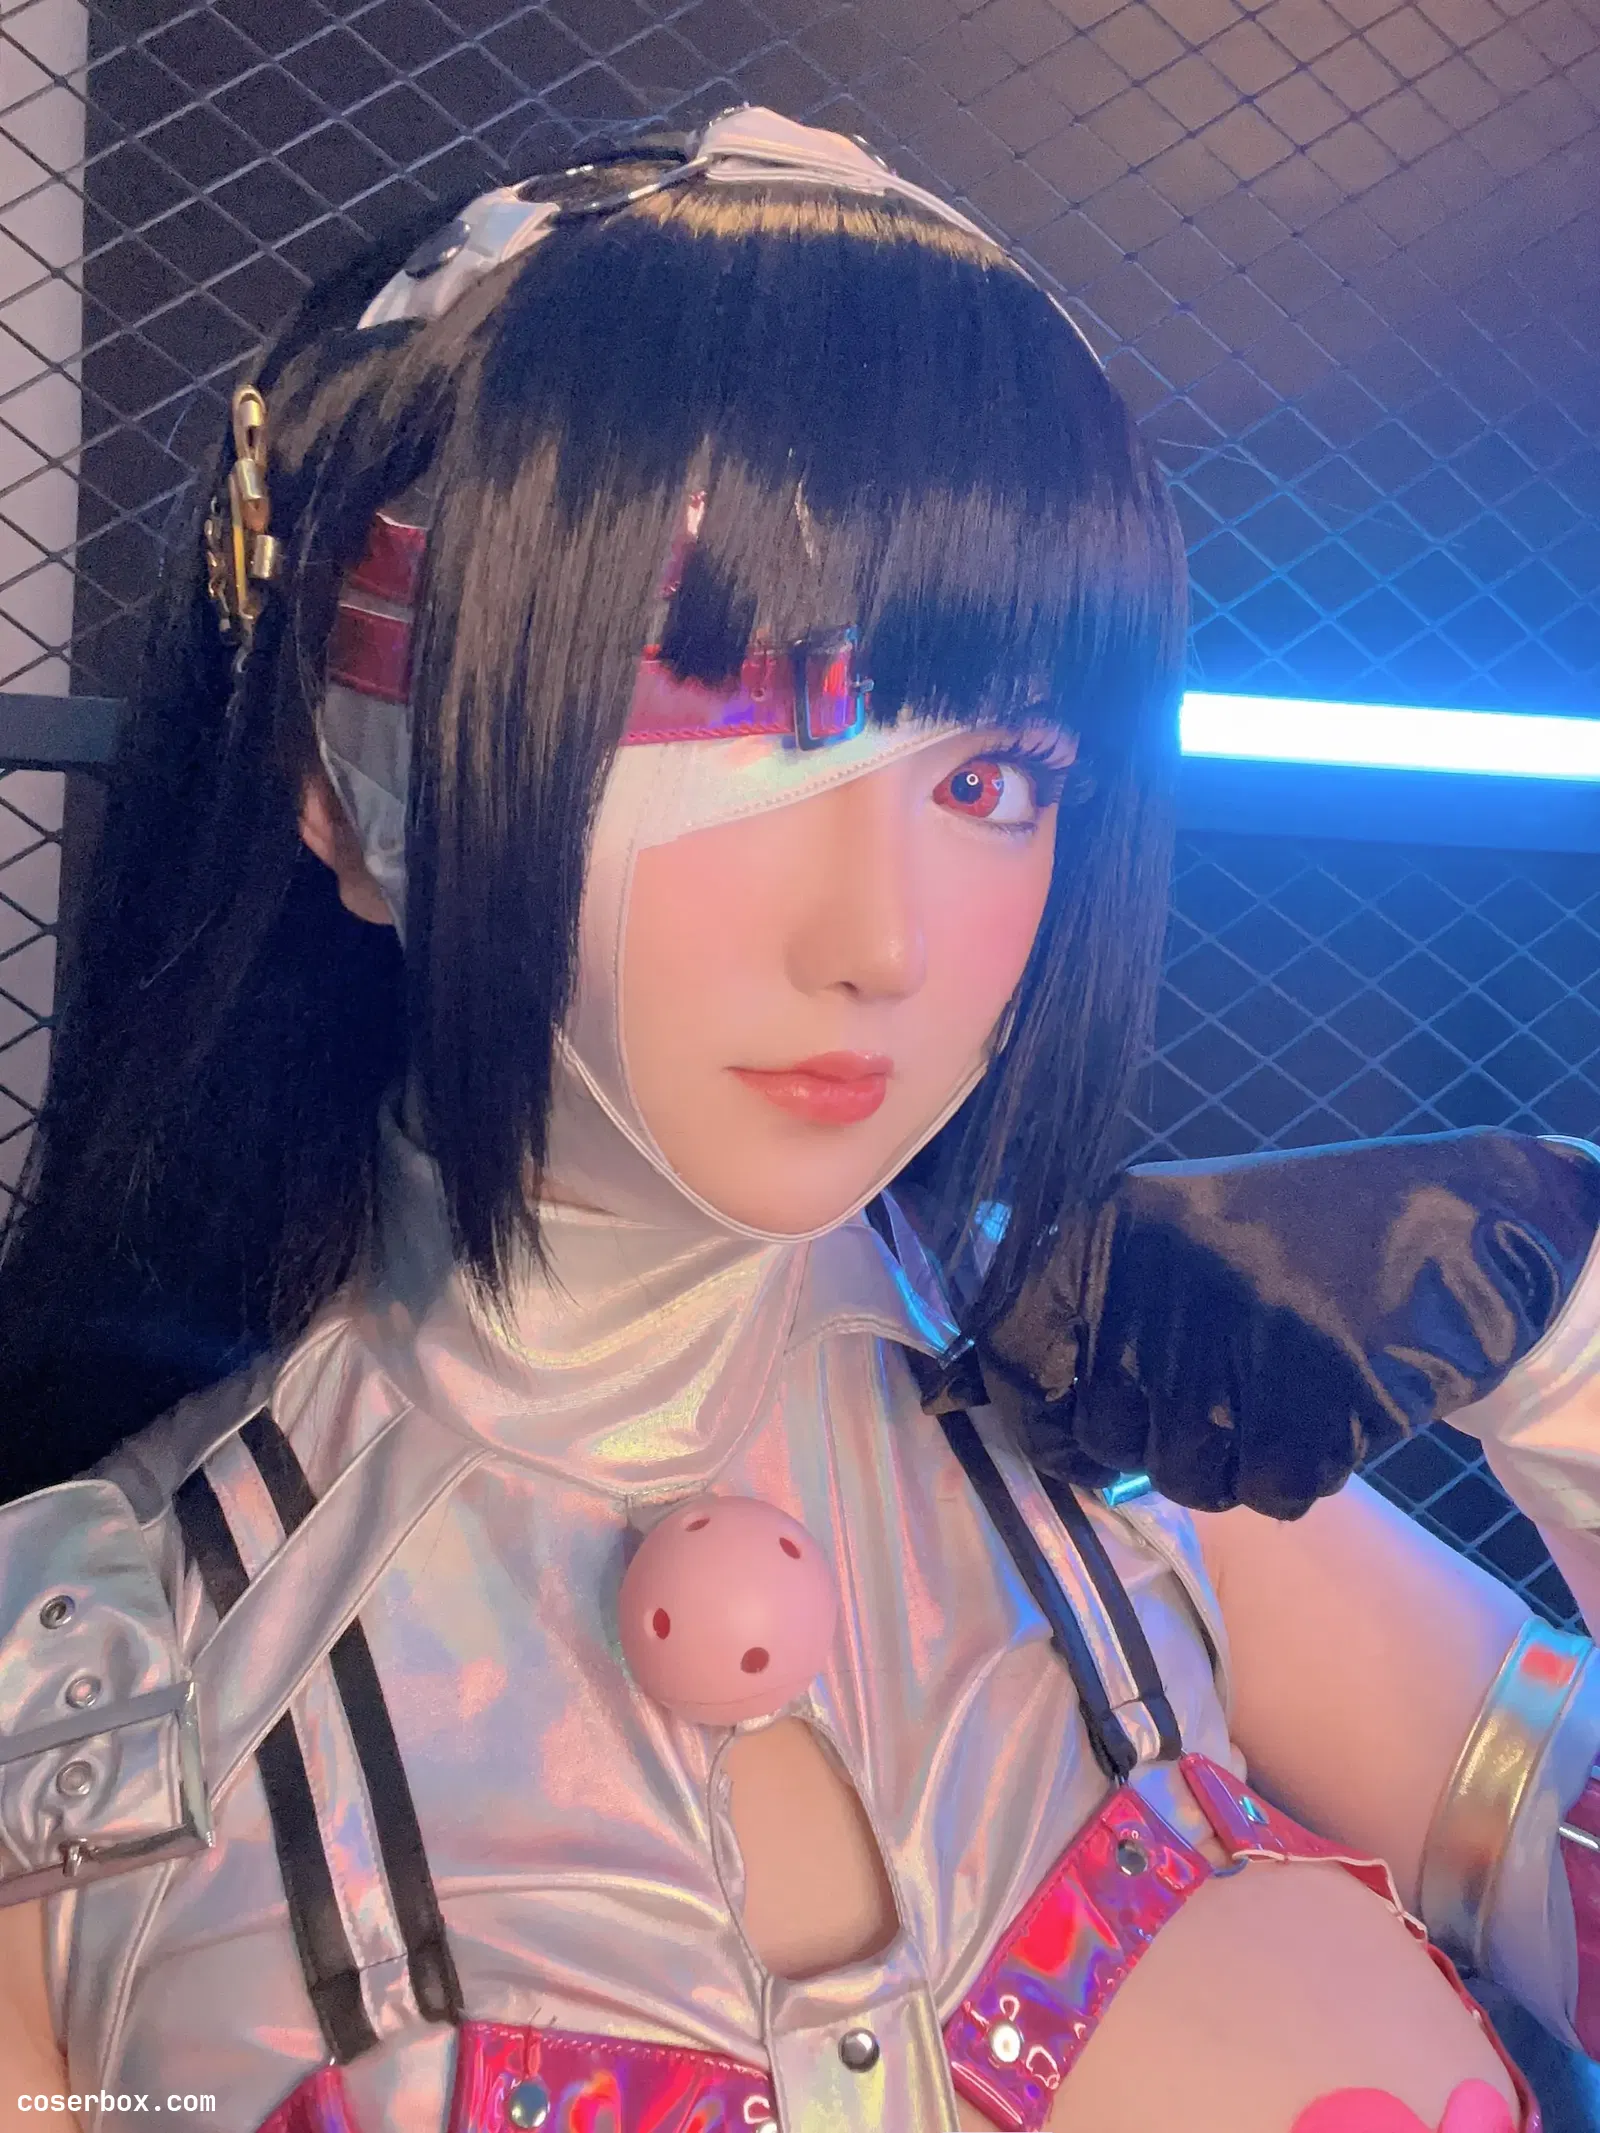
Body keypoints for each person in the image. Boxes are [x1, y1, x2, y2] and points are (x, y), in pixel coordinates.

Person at [0, 108, 1596, 2133]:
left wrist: (1571, 1337)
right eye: (729, 731)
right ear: (350, 781)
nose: (882, 943)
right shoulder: (82, 1690)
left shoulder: (1123, 1465)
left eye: (991, 779)